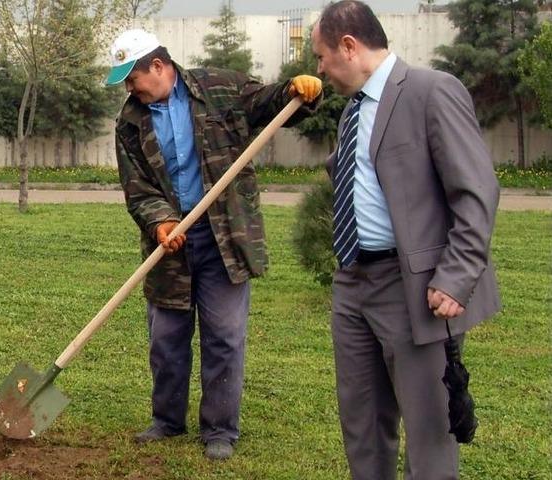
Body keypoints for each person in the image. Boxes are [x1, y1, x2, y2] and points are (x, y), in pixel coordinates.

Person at [106, 28, 322, 460]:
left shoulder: (219, 88)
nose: (129, 88)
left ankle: (220, 430)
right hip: (171, 243)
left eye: (132, 78)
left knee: (224, 335)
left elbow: (271, 104)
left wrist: (300, 91)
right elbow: (137, 188)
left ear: (159, 66)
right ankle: (167, 421)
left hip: (225, 236)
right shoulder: (130, 123)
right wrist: (161, 223)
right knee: (166, 338)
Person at [311, 2, 501, 478]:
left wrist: (457, 276)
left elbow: (476, 190)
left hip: (413, 289)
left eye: (320, 56)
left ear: (348, 47)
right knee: (362, 424)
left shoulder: (432, 91)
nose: (318, 68)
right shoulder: (351, 111)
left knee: (428, 427)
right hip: (353, 283)